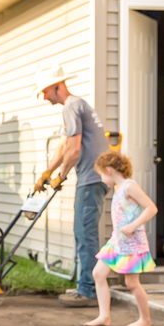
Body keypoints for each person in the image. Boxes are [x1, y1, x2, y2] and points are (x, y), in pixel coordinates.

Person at [31, 66, 110, 307]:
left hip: (91, 179)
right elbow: (65, 145)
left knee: (85, 235)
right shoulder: (76, 106)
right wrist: (48, 172)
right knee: (83, 233)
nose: (44, 97)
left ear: (58, 87)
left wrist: (61, 175)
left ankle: (88, 291)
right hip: (93, 179)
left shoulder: (71, 106)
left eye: (45, 92)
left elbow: (74, 150)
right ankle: (86, 285)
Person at [84, 150, 157, 326]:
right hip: (117, 241)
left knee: (131, 283)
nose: (101, 179)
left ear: (109, 170)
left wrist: (133, 225)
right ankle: (104, 316)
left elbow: (151, 208)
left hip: (132, 243)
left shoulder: (129, 187)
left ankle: (145, 320)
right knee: (98, 273)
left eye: (101, 174)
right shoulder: (118, 189)